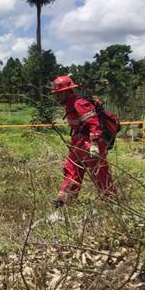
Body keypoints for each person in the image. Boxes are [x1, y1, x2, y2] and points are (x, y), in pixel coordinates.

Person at [51, 76, 115, 206]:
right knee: (71, 170)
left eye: (59, 94)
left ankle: (111, 201)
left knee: (99, 173)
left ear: (67, 92)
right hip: (78, 143)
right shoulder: (69, 105)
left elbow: (94, 122)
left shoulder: (79, 103)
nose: (57, 97)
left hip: (90, 143)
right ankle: (63, 201)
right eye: (56, 94)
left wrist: (95, 143)